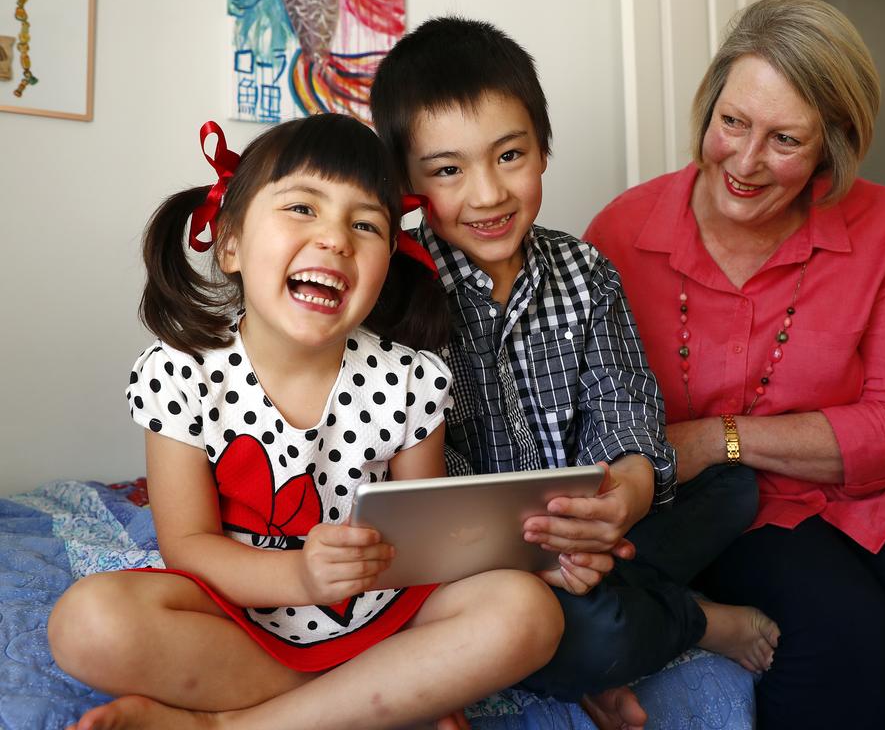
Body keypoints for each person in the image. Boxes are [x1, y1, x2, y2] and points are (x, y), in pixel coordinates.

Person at [584, 0, 885, 730]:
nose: (746, 163)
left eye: (786, 139)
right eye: (733, 122)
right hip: (735, 512)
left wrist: (719, 438)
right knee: (841, 646)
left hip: (880, 492)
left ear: (834, 146)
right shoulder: (621, 235)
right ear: (710, 106)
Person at [47, 113, 565, 730]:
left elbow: (428, 542)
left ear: (386, 265)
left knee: (528, 613)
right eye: (302, 208)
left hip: (379, 612)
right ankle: (380, 697)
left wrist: (539, 553)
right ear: (231, 242)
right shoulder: (178, 374)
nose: (335, 239)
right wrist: (299, 575)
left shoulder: (412, 380)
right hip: (240, 607)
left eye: (366, 224)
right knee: (87, 623)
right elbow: (186, 548)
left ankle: (228, 724)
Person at [370, 17, 779, 730]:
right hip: (490, 565)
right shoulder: (397, 297)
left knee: (735, 487)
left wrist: (624, 492)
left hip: (598, 523)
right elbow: (423, 495)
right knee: (590, 636)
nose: (489, 193)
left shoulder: (586, 272)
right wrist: (537, 557)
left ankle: (607, 606)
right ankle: (689, 620)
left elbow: (624, 405)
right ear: (406, 182)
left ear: (543, 149)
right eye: (447, 170)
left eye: (509, 155)